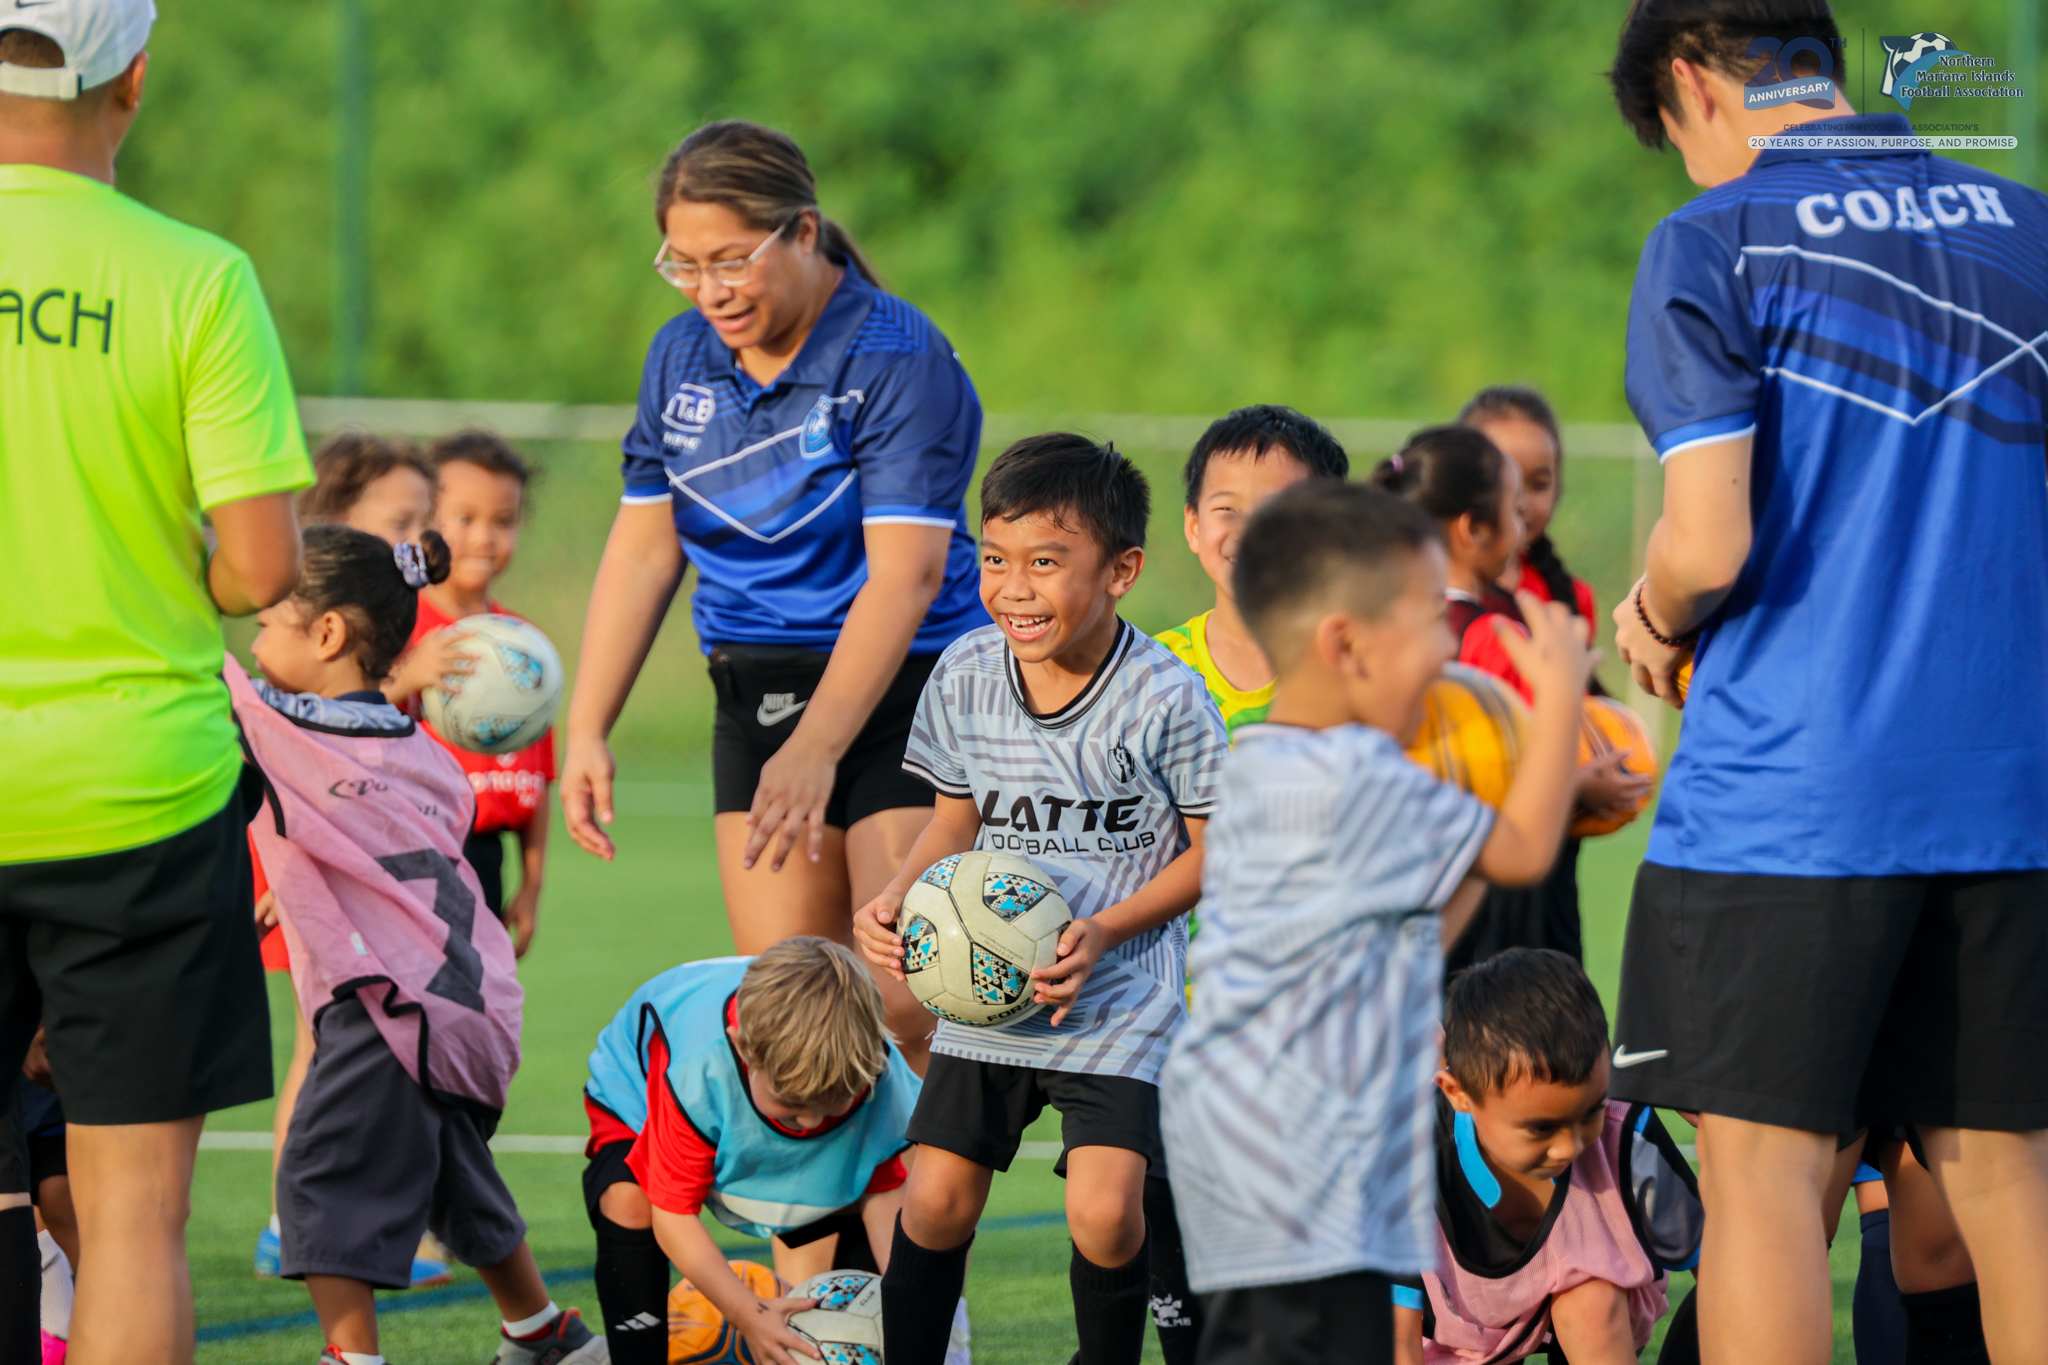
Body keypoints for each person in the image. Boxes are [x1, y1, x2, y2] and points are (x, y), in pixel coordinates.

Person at [1606, 2, 2048, 1359]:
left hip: (1791, 799)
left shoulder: (1714, 238)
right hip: (2015, 788)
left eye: (1672, 134)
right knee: (2010, 1180)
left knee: (1767, 1180)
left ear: (1691, 80)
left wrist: (1651, 613)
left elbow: (1709, 536)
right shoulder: (2026, 225)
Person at [1, 2, 312, 1358]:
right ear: (132, 76)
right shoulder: (196, 275)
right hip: (136, 794)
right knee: (130, 1222)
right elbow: (258, 571)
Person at [562, 120, 987, 1073]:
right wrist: (586, 725)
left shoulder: (896, 357)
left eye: (730, 260)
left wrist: (818, 747)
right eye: (683, 263)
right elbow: (641, 551)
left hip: (907, 689)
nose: (709, 290)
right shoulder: (681, 359)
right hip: (756, 692)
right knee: (792, 1011)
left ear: (802, 232)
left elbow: (907, 576)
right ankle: (824, 1223)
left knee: (903, 996)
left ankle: (915, 1227)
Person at [1159, 481, 1592, 1365]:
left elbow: (1419, 927)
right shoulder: (1351, 774)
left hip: (1268, 1153)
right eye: (1430, 620)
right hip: (1301, 1168)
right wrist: (1558, 706)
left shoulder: (1268, 767)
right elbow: (1521, 851)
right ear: (1347, 644)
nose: (1448, 646)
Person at [854, 434, 1230, 1365]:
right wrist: (898, 895)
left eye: (1046, 563)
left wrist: (1103, 930)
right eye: (995, 560)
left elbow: (1213, 855)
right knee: (935, 1198)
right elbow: (954, 819)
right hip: (985, 981)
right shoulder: (966, 673)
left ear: (1122, 570)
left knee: (1105, 1214)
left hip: (1118, 992)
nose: (1013, 589)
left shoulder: (1166, 698)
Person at [236, 525, 606, 1365]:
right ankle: (543, 1331)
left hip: (385, 1005)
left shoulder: (294, 733)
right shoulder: (420, 751)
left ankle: (352, 1355)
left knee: (316, 1178)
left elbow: (225, 697)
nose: (252, 647)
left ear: (327, 634)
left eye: (265, 624)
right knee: (450, 1171)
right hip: (468, 998)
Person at [253, 431, 452, 1288]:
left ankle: (348, 1279)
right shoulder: (316, 703)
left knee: (346, 1064)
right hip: (357, 913)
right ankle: (296, 1222)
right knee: (332, 1052)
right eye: (399, 518)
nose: (420, 534)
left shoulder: (290, 703)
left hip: (368, 920)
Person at [581, 939, 951, 1365]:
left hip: (752, 1096)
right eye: (793, 1109)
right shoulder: (697, 1070)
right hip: (637, 1089)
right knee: (629, 1200)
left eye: (832, 1104)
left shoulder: (879, 1076)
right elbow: (674, 1216)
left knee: (857, 1205)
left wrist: (909, 1312)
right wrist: (748, 1314)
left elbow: (883, 1192)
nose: (812, 1124)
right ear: (743, 1049)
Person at [1372, 428, 1626, 968]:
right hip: (1492, 913)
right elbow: (1498, 791)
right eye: (1513, 510)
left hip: (1422, 890)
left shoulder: (1390, 629)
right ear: (1473, 529)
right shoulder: (1496, 638)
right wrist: (1577, 785)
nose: (1523, 525)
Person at [1394, 948, 1701, 1364]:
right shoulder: (1408, 1162)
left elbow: (1718, 1265)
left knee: (1591, 1300)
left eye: (1589, 1111)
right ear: (1458, 1094)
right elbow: (1399, 1341)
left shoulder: (1625, 1132)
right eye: (1540, 1128)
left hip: (1596, 1314)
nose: (1570, 1147)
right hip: (1455, 1340)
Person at [1450, 391, 1652, 971]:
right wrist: (1572, 787)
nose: (1521, 502)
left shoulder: (1569, 597)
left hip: (1553, 864)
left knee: (1555, 1021)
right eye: (1502, 481)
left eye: (1537, 483)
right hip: (1480, 865)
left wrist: (1615, 753)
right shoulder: (1449, 615)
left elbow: (1580, 712)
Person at [386, 430, 553, 954]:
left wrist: (531, 886)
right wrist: (411, 675)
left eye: (503, 522)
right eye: (464, 518)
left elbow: (539, 776)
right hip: (404, 847)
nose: (484, 538)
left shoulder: (523, 647)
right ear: (426, 523)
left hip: (483, 855)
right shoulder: (397, 625)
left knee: (472, 1001)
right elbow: (348, 712)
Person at [1156, 405, 1352, 739]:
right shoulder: (1155, 669)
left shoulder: (1350, 665)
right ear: (1193, 526)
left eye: (1275, 513)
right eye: (1227, 510)